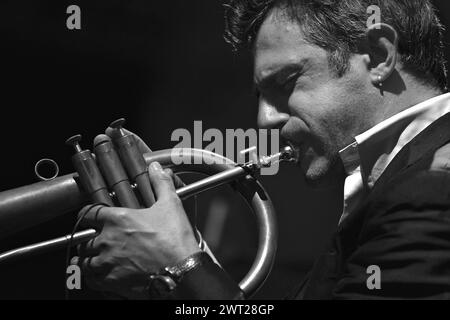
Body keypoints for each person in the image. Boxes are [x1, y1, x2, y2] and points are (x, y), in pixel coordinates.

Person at [71, 0, 450, 299]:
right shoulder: (399, 183)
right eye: (260, 96)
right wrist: (183, 257)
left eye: (285, 82)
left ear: (379, 55)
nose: (264, 120)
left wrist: (180, 267)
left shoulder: (431, 191)